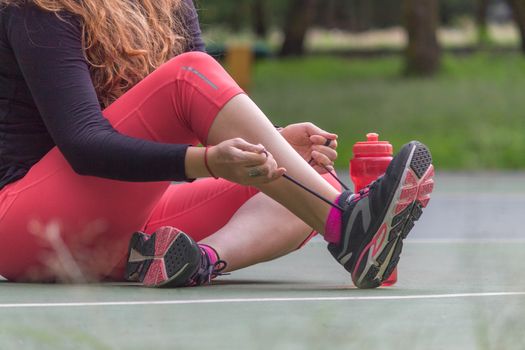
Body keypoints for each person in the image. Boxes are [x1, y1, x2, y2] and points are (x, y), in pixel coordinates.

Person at [0, 0, 434, 289]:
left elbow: (207, 115)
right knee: (190, 74)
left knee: (302, 179)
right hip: (26, 225)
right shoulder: (40, 8)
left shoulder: (170, 5)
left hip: (125, 231)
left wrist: (272, 144)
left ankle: (196, 261)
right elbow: (84, 145)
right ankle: (348, 227)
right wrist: (208, 162)